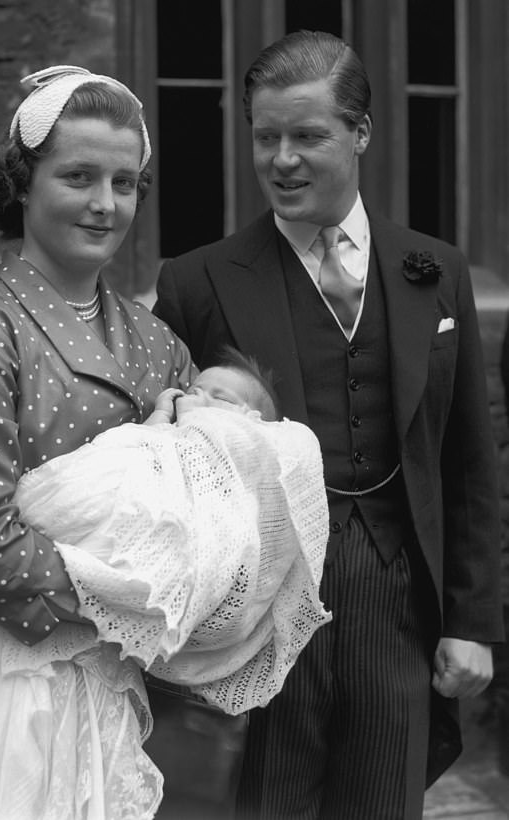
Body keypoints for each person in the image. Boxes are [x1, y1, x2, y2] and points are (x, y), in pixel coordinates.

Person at [153, 29, 505, 820]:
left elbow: (469, 464)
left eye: (307, 136)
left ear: (361, 134)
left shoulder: (437, 272)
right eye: (265, 136)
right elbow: (168, 476)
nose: (281, 159)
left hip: (399, 605)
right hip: (265, 617)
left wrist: (474, 622)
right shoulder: (197, 280)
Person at [0, 64, 199, 820]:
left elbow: (202, 502)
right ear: (23, 184)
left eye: (124, 184)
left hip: (118, 684)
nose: (104, 204)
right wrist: (126, 598)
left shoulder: (157, 346)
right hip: (2, 679)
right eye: (79, 177)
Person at [0, 342, 332, 818]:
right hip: (30, 571)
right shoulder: (163, 432)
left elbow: (222, 538)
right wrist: (159, 419)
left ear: (250, 423)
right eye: (191, 390)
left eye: (216, 397)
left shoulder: (238, 459)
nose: (191, 400)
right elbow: (127, 462)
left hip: (78, 604)